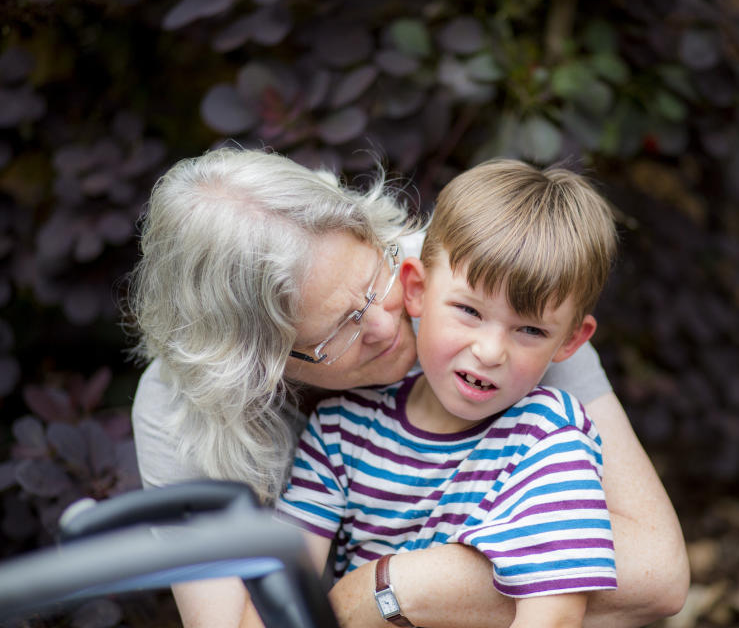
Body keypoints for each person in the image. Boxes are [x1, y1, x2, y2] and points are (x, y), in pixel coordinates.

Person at [128, 147, 688, 628]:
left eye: (376, 280)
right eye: (341, 327)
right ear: (260, 363)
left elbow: (656, 576)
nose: (385, 323)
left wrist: (381, 589)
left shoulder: (493, 283)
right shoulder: (189, 410)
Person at [276, 159, 619, 628]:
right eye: (469, 311)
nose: (490, 350)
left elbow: (553, 616)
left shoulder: (547, 438)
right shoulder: (341, 430)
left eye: (530, 330)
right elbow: (281, 593)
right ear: (416, 289)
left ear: (569, 342)